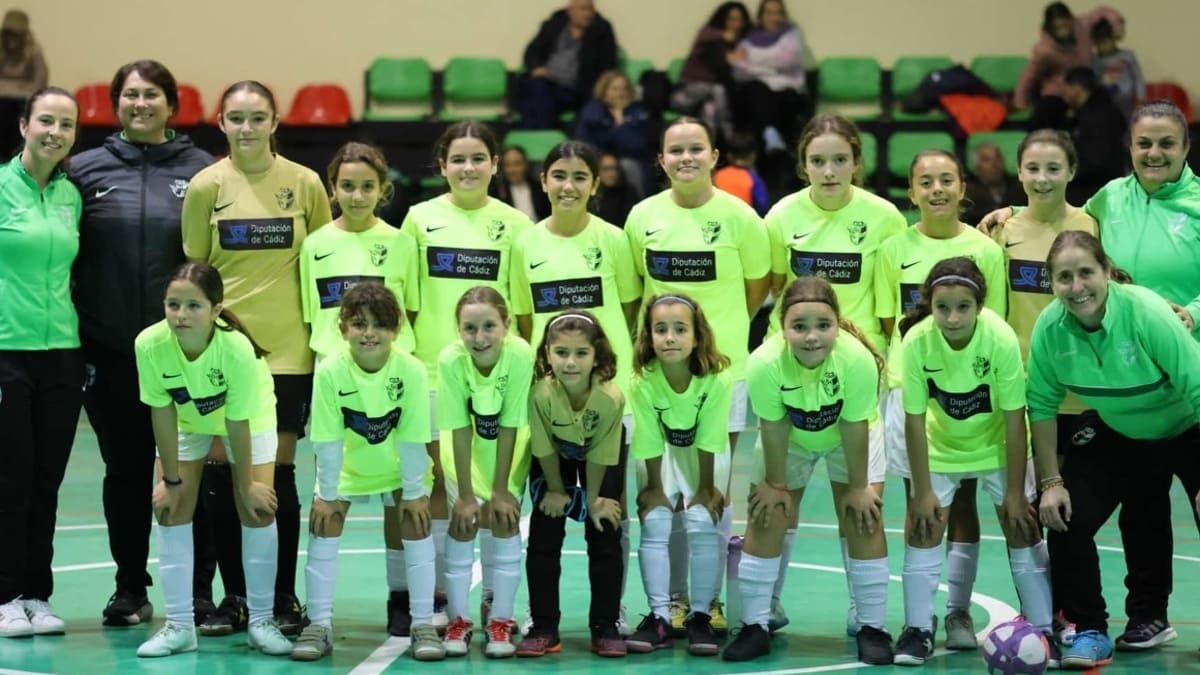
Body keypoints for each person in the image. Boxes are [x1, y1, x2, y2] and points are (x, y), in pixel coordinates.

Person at [980, 100, 1200, 650]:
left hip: (1184, 382)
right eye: (1143, 143)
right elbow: (1057, 220)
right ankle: (1107, 623)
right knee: (1135, 511)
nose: (1154, 153)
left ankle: (1143, 612)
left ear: (1185, 148)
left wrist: (1192, 313)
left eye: (1166, 143)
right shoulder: (1107, 202)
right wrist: (1008, 214)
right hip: (1114, 396)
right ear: (1129, 148)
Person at [182, 80, 333, 635]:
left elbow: (326, 262)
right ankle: (237, 597)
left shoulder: (305, 184)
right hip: (227, 354)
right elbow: (196, 273)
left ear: (275, 122)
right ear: (221, 123)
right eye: (236, 118)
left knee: (278, 476)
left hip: (290, 352)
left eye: (257, 118)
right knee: (225, 474)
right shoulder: (204, 187)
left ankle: (283, 596)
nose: (247, 128)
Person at [69, 59, 216, 628]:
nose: (140, 104)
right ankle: (130, 586)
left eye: (151, 95)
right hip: (109, 352)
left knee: (195, 471)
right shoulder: (83, 171)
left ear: (171, 105)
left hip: (188, 353)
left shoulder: (203, 173)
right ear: (115, 103)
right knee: (125, 471)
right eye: (130, 95)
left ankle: (201, 591)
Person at [1028, 230, 1200, 668]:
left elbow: (1197, 387)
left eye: (1086, 272)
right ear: (1051, 283)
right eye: (1063, 277)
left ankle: (1149, 615)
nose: (1076, 286)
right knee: (1064, 513)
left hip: (1187, 424)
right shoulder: (1050, 328)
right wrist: (1050, 483)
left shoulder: (1145, 312)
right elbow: (1043, 407)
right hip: (1120, 428)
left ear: (1107, 272)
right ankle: (1090, 629)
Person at [625, 116, 770, 631]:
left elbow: (760, 286)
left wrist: (716, 343)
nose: (686, 158)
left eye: (696, 149)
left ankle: (708, 605)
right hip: (658, 376)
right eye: (675, 150)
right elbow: (633, 290)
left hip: (722, 374)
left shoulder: (741, 218)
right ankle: (675, 601)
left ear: (714, 155)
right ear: (661, 161)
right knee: (664, 485)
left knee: (713, 488)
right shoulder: (642, 216)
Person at [400, 120, 533, 629]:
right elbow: (410, 301)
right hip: (436, 374)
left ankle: (497, 602)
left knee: (500, 488)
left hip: (496, 376)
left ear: (496, 165)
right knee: (441, 487)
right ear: (442, 167)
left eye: (479, 158)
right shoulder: (418, 220)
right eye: (458, 159)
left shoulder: (516, 225)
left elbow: (519, 310)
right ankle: (440, 593)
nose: (468, 167)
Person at [874, 149, 1007, 652]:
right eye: (925, 181)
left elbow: (991, 328)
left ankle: (957, 613)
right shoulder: (893, 249)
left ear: (962, 186)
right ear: (911, 192)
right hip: (912, 392)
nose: (936, 189)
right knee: (921, 503)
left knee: (965, 500)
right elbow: (891, 325)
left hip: (970, 394)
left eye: (946, 180)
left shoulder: (986, 250)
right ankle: (919, 623)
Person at [723, 277, 893, 664]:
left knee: (862, 516)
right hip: (792, 436)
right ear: (782, 328)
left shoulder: (857, 361)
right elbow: (774, 424)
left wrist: (858, 486)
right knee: (767, 514)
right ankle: (755, 624)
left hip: (850, 436)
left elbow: (853, 426)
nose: (811, 337)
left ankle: (872, 626)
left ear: (837, 324)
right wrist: (776, 485)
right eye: (799, 327)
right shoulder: (765, 363)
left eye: (823, 326)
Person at [509, 140, 641, 636]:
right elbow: (525, 321)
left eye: (579, 176)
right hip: (548, 403)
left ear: (595, 183)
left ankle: (611, 611)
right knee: (547, 514)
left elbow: (628, 311)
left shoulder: (613, 239)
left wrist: (605, 373)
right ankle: (542, 617)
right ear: (543, 182)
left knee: (606, 515)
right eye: (559, 175)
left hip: (606, 399)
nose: (568, 186)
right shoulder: (525, 244)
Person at [892, 257, 1051, 667]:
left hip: (997, 444)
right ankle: (918, 630)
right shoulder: (916, 342)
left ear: (979, 305)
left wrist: (1015, 493)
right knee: (925, 526)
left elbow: (1017, 419)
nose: (952, 316)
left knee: (1021, 523)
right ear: (930, 304)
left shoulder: (999, 339)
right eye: (942, 307)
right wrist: (922, 490)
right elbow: (913, 419)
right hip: (942, 447)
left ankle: (1043, 628)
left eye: (963, 306)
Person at [132, 263, 288, 658]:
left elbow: (237, 422)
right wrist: (170, 481)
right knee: (170, 511)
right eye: (173, 305)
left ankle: (262, 621)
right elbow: (161, 414)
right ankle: (180, 626)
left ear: (216, 310)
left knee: (256, 508)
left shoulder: (236, 350)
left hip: (248, 417)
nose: (180, 315)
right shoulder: (149, 344)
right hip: (188, 418)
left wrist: (245, 485)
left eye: (193, 306)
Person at [292, 284, 442, 662]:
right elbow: (325, 438)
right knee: (323, 521)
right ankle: (320, 623)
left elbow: (412, 439)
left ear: (396, 330)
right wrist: (326, 495)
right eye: (359, 324)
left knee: (417, 519)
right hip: (349, 467)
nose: (369, 333)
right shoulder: (329, 371)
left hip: (398, 467)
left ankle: (422, 622)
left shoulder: (411, 370)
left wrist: (413, 492)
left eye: (379, 325)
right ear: (343, 329)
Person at [0, 86, 81, 639]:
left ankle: (37, 593)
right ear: (24, 125)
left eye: (67, 124)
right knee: (11, 479)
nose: (55, 132)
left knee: (47, 480)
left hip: (63, 357)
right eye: (46, 121)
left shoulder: (72, 197)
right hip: (7, 353)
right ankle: (5, 596)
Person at [624, 294, 732, 657]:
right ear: (649, 336)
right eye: (660, 330)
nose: (669, 337)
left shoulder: (717, 379)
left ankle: (700, 615)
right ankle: (658, 617)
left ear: (697, 336)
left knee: (702, 519)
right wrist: (654, 488)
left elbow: (711, 437)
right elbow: (650, 439)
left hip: (704, 454)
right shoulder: (642, 381)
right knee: (654, 522)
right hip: (661, 454)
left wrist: (704, 488)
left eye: (679, 329)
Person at [517, 311, 627, 658]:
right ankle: (544, 625)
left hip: (598, 454)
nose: (570, 362)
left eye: (581, 353)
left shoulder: (610, 398)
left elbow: (601, 455)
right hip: (556, 457)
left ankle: (605, 624)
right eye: (561, 352)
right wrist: (555, 490)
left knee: (605, 527)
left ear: (597, 356)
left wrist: (592, 501)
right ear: (547, 354)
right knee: (545, 530)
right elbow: (544, 448)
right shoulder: (540, 394)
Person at [437, 287, 534, 658]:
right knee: (462, 527)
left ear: (506, 325)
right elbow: (458, 428)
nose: (480, 337)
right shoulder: (450, 360)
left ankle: (501, 620)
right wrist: (464, 494)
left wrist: (501, 490)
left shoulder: (520, 354)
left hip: (507, 457)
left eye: (489, 326)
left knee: (505, 522)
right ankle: (459, 619)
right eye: (470, 328)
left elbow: (510, 423)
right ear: (458, 330)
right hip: (462, 457)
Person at [1014, 2, 1123, 129]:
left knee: (1107, 108)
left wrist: (1116, 23)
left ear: (1072, 20)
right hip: (1059, 92)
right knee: (1045, 111)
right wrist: (1020, 102)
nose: (1064, 31)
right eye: (1058, 28)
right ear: (1050, 28)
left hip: (1086, 88)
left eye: (1066, 25)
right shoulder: (1044, 50)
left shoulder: (1083, 25)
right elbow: (1030, 76)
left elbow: (1101, 12)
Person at [518, 0, 618, 129]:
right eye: (583, 9)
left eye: (591, 9)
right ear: (570, 11)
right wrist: (536, 67)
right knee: (536, 90)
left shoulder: (601, 30)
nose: (588, 14)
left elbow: (609, 64)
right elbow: (532, 51)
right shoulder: (554, 25)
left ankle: (536, 139)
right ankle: (540, 136)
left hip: (577, 90)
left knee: (536, 101)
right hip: (548, 83)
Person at [730, 0, 810, 155]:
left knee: (767, 101)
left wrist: (753, 62)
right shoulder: (748, 39)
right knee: (756, 91)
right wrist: (772, 69)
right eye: (769, 13)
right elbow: (737, 70)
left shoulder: (791, 35)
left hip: (788, 91)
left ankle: (771, 144)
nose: (774, 17)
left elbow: (787, 60)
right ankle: (770, 135)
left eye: (778, 13)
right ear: (760, 17)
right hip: (758, 93)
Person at [672, 1, 751, 144]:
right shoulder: (711, 37)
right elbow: (705, 35)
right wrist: (723, 36)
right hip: (686, 92)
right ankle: (730, 138)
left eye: (739, 20)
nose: (735, 24)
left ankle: (709, 148)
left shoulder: (742, 44)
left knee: (711, 109)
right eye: (731, 19)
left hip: (710, 99)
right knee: (718, 90)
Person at [577, 70, 652, 196]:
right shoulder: (592, 112)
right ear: (604, 91)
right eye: (615, 89)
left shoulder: (638, 112)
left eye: (624, 89)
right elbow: (583, 143)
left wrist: (620, 121)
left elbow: (636, 146)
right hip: (599, 160)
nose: (620, 93)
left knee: (628, 166)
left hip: (631, 161)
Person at [1059, 67, 1127, 205]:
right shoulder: (1095, 110)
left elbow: (1096, 161)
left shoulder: (1097, 117)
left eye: (1066, 88)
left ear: (1078, 88)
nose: (1063, 93)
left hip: (1097, 188)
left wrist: (1066, 175)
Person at [0, 10, 47, 153]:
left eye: (17, 34)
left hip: (21, 104)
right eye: (9, 33)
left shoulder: (33, 51)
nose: (12, 39)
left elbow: (39, 84)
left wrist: (8, 87)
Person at [1091, 17, 1143, 121]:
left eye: (1106, 42)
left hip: (1126, 100)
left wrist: (1140, 98)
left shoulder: (1127, 56)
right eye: (1099, 43)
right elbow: (1095, 80)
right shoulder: (1096, 61)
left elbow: (1138, 77)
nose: (1103, 46)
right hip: (1106, 102)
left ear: (1113, 39)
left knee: (1129, 123)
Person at [962, 142, 1024, 227]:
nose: (995, 164)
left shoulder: (1019, 185)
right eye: (987, 159)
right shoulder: (967, 191)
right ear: (976, 166)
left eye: (998, 158)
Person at [713, 131, 768, 216]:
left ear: (729, 156)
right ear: (753, 156)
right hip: (743, 223)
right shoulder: (754, 180)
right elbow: (762, 207)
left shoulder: (716, 176)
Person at [492, 146, 550, 222]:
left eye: (517, 164)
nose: (513, 170)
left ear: (526, 164)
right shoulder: (498, 192)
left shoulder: (540, 188)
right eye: (507, 165)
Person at [592, 151, 639, 227]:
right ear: (598, 171)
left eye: (615, 168)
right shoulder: (592, 193)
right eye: (606, 169)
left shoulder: (628, 192)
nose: (611, 173)